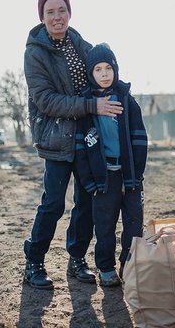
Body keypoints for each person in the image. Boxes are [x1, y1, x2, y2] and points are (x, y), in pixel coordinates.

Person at [23, 0, 123, 290]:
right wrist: (92, 106)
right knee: (53, 203)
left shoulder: (83, 46)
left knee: (86, 203)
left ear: (69, 13)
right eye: (50, 12)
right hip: (56, 139)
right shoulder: (35, 53)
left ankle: (76, 259)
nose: (57, 16)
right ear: (42, 17)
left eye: (62, 10)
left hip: (85, 138)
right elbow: (46, 100)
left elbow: (102, 80)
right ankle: (34, 262)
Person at [74, 43, 148, 287]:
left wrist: (136, 175)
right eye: (98, 69)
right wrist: (89, 182)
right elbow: (81, 150)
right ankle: (106, 268)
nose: (104, 73)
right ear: (90, 73)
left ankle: (129, 266)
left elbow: (139, 140)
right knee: (104, 226)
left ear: (115, 69)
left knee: (134, 224)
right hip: (103, 179)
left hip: (129, 177)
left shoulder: (127, 101)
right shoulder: (86, 107)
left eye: (108, 68)